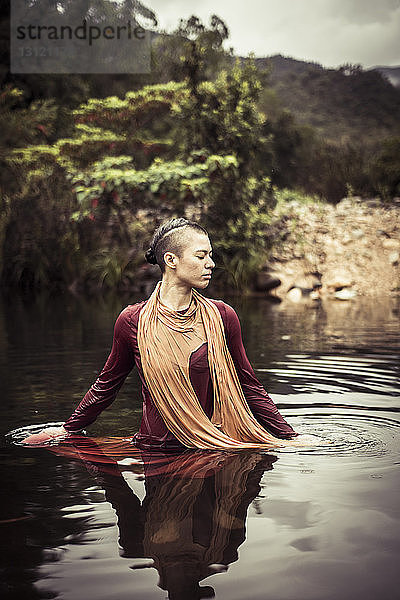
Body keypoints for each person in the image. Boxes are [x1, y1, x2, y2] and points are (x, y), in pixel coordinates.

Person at [38, 217, 302, 450]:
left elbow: (250, 386)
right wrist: (68, 430)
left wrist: (291, 437)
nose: (211, 264)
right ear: (171, 260)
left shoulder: (223, 316)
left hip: (213, 447)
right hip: (155, 449)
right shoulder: (133, 321)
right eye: (201, 256)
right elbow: (106, 387)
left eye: (210, 255)